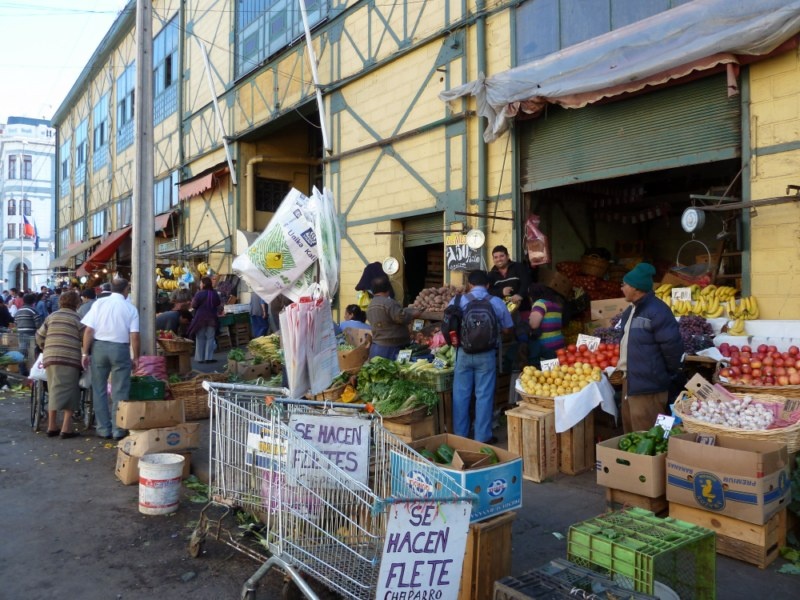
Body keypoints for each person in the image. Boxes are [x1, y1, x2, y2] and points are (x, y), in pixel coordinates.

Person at [616, 262, 684, 433]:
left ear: (636, 288)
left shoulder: (658, 311)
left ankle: (653, 462)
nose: (621, 287)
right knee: (631, 433)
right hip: (630, 382)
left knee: (650, 436)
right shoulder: (630, 311)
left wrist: (663, 375)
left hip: (649, 386)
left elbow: (672, 349)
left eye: (625, 284)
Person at [449, 270, 514, 443]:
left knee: (460, 395)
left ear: (469, 284)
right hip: (487, 355)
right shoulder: (497, 302)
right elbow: (508, 328)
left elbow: (448, 325)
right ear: (488, 285)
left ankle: (460, 436)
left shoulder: (457, 300)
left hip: (463, 353)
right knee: (484, 395)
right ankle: (482, 437)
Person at [81, 278, 140, 440]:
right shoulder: (130, 308)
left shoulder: (99, 304)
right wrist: (136, 357)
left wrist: (85, 353)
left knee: (98, 389)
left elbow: (88, 331)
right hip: (120, 349)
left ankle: (103, 428)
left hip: (99, 348)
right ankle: (118, 429)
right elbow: (134, 336)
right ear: (126, 290)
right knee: (120, 390)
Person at [35, 291, 85, 439]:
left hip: (50, 357)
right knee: (70, 391)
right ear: (77, 304)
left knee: (53, 389)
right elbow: (85, 338)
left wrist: (45, 347)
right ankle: (66, 428)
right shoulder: (78, 318)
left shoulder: (51, 316)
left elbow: (39, 335)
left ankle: (52, 426)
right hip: (69, 358)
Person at [366, 276, 420, 360]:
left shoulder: (370, 305)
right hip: (391, 348)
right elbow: (401, 318)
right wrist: (413, 314)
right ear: (388, 289)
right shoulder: (389, 303)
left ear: (373, 290)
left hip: (377, 347)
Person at [527, 283, 566, 368]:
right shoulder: (556, 304)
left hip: (547, 348)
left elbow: (533, 325)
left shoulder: (540, 304)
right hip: (560, 345)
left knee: (548, 377)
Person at [187, 276, 221, 363]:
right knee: (210, 338)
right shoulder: (214, 293)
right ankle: (208, 358)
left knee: (200, 338)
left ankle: (200, 358)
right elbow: (218, 303)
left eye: (201, 283)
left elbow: (194, 305)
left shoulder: (199, 294)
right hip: (212, 318)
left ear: (204, 284)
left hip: (200, 318)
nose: (200, 284)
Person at [15, 293, 42, 376]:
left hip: (21, 335)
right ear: (33, 302)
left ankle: (22, 371)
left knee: (22, 353)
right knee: (32, 354)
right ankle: (33, 373)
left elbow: (16, 323)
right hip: (31, 335)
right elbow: (38, 325)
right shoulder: (33, 310)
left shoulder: (18, 311)